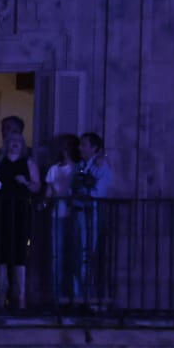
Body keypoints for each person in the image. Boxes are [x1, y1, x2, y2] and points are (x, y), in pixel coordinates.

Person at [0, 132, 42, 309]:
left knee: (19, 252)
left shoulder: (28, 163)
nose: (15, 144)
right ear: (6, 143)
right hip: (0, 211)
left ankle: (20, 293)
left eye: (18, 141)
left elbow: (36, 186)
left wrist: (25, 182)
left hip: (20, 211)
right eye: (12, 141)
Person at [74, 131, 114, 307]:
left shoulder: (102, 167)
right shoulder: (80, 166)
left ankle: (87, 299)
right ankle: (77, 297)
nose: (80, 148)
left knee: (85, 255)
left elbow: (99, 192)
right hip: (78, 213)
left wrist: (84, 192)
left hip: (91, 214)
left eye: (84, 145)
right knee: (76, 256)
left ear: (94, 148)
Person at [45, 134, 81, 306]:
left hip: (74, 215)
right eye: (62, 148)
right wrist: (46, 201)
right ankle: (56, 296)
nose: (64, 151)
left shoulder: (78, 169)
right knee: (56, 256)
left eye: (67, 148)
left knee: (75, 256)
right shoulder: (54, 169)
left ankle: (74, 295)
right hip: (57, 215)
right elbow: (49, 192)